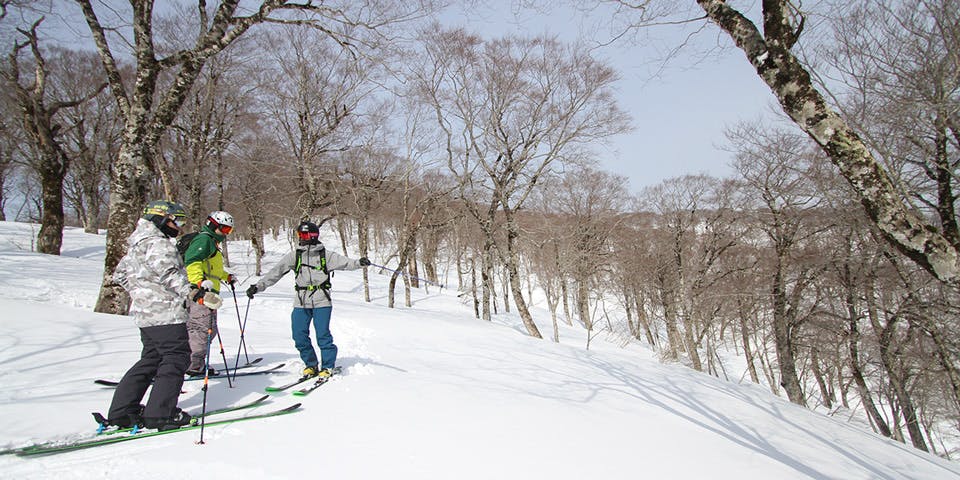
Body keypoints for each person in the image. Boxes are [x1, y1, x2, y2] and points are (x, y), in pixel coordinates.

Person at [105, 200, 194, 431]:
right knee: (176, 357)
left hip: (146, 314)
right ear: (161, 218)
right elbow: (169, 274)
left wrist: (141, 293)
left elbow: (120, 274)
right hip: (166, 312)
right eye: (177, 221)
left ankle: (122, 412)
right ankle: (160, 414)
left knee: (151, 360)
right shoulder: (159, 243)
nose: (179, 227)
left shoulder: (137, 244)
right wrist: (194, 292)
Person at [245, 220, 370, 378]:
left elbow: (346, 263)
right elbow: (275, 273)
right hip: (301, 301)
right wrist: (258, 286)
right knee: (299, 335)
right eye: (299, 234)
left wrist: (360, 263)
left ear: (313, 235)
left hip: (322, 301)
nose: (301, 237)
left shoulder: (325, 255)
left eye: (304, 234)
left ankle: (327, 366)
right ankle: (311, 364)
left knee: (322, 335)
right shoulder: (295, 255)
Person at [182, 211, 234, 376]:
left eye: (229, 231)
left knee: (209, 329)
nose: (226, 233)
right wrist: (198, 284)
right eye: (224, 229)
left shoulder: (211, 242)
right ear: (213, 225)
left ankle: (194, 361)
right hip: (201, 294)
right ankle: (193, 364)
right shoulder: (204, 240)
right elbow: (192, 261)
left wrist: (227, 276)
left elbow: (212, 269)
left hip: (210, 294)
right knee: (201, 329)